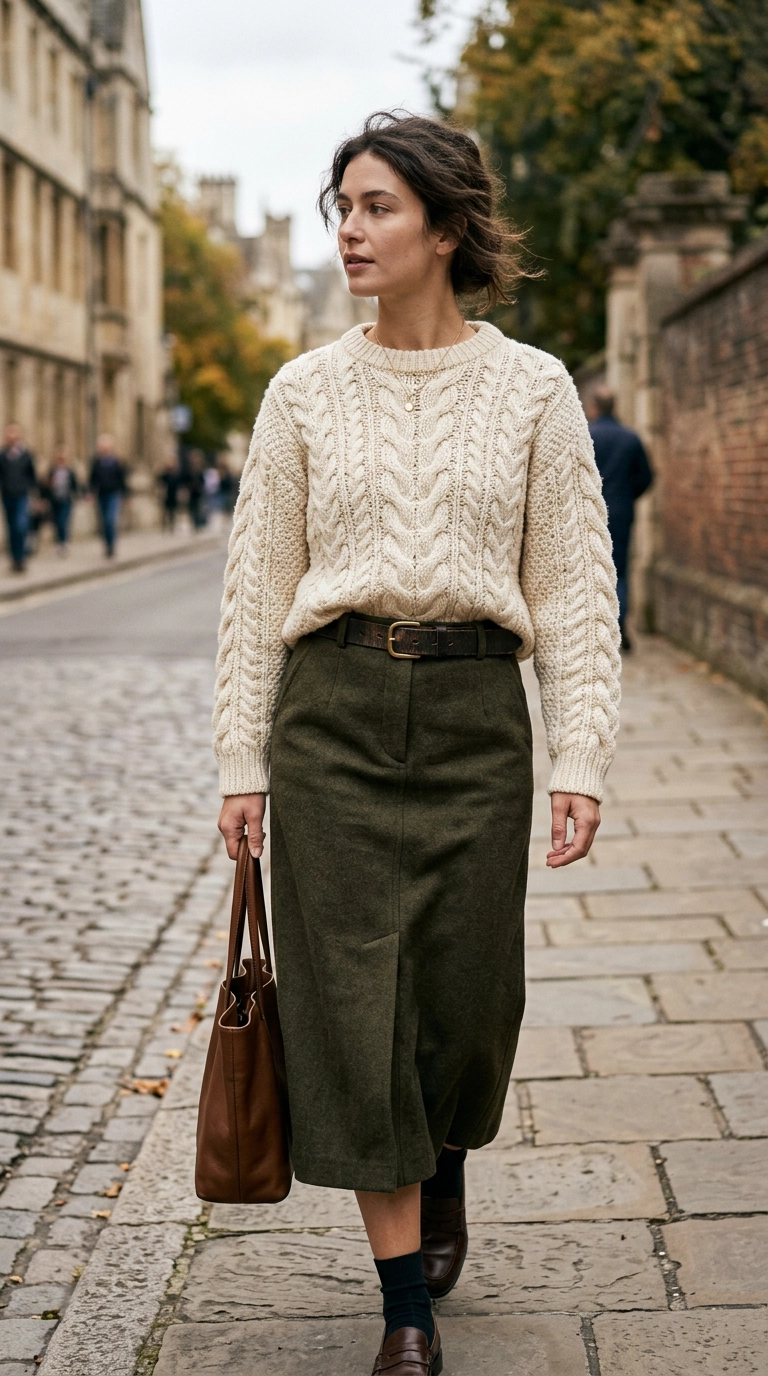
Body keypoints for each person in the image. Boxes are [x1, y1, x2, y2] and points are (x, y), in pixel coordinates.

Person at [214, 112, 621, 1376]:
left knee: (460, 1004)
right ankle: (405, 1305)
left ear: (447, 228)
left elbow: (573, 587)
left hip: (474, 722)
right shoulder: (303, 391)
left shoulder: (533, 387)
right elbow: (252, 587)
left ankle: (442, 1162)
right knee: (346, 1010)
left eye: (377, 205)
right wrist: (244, 762)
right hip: (330, 719)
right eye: (341, 204)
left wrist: (580, 756)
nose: (348, 226)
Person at [588, 388, 653, 651]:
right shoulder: (630, 438)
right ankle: (619, 628)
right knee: (620, 572)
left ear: (594, 407)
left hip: (591, 513)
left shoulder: (586, 435)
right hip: (622, 513)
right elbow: (646, 477)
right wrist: (626, 497)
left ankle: (595, 635)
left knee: (591, 572)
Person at [0, 423, 37, 572]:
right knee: (11, 529)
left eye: (14, 432)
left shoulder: (26, 455)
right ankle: (15, 559)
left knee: (20, 526)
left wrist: (35, 496)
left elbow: (32, 477)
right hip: (7, 496)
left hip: (22, 496)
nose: (12, 436)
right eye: (9, 433)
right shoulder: (2, 456)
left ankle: (21, 557)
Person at [89, 434, 128, 558]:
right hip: (101, 494)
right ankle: (107, 544)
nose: (104, 449)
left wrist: (126, 495)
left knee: (110, 519)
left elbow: (122, 479)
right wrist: (90, 493)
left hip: (113, 494)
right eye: (102, 446)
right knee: (104, 521)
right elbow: (92, 479)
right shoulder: (97, 462)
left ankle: (111, 544)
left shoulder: (116, 462)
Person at [46, 444, 80, 554]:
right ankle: (59, 541)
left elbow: (75, 485)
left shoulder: (70, 471)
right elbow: (46, 486)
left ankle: (63, 542)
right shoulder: (52, 470)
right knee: (56, 522)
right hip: (55, 500)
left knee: (63, 521)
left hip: (66, 499)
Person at [157, 456, 181, 531]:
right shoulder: (164, 474)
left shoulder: (176, 475)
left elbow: (179, 485)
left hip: (173, 494)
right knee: (165, 511)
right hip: (166, 494)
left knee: (172, 511)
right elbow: (160, 483)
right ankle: (164, 526)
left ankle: (172, 526)